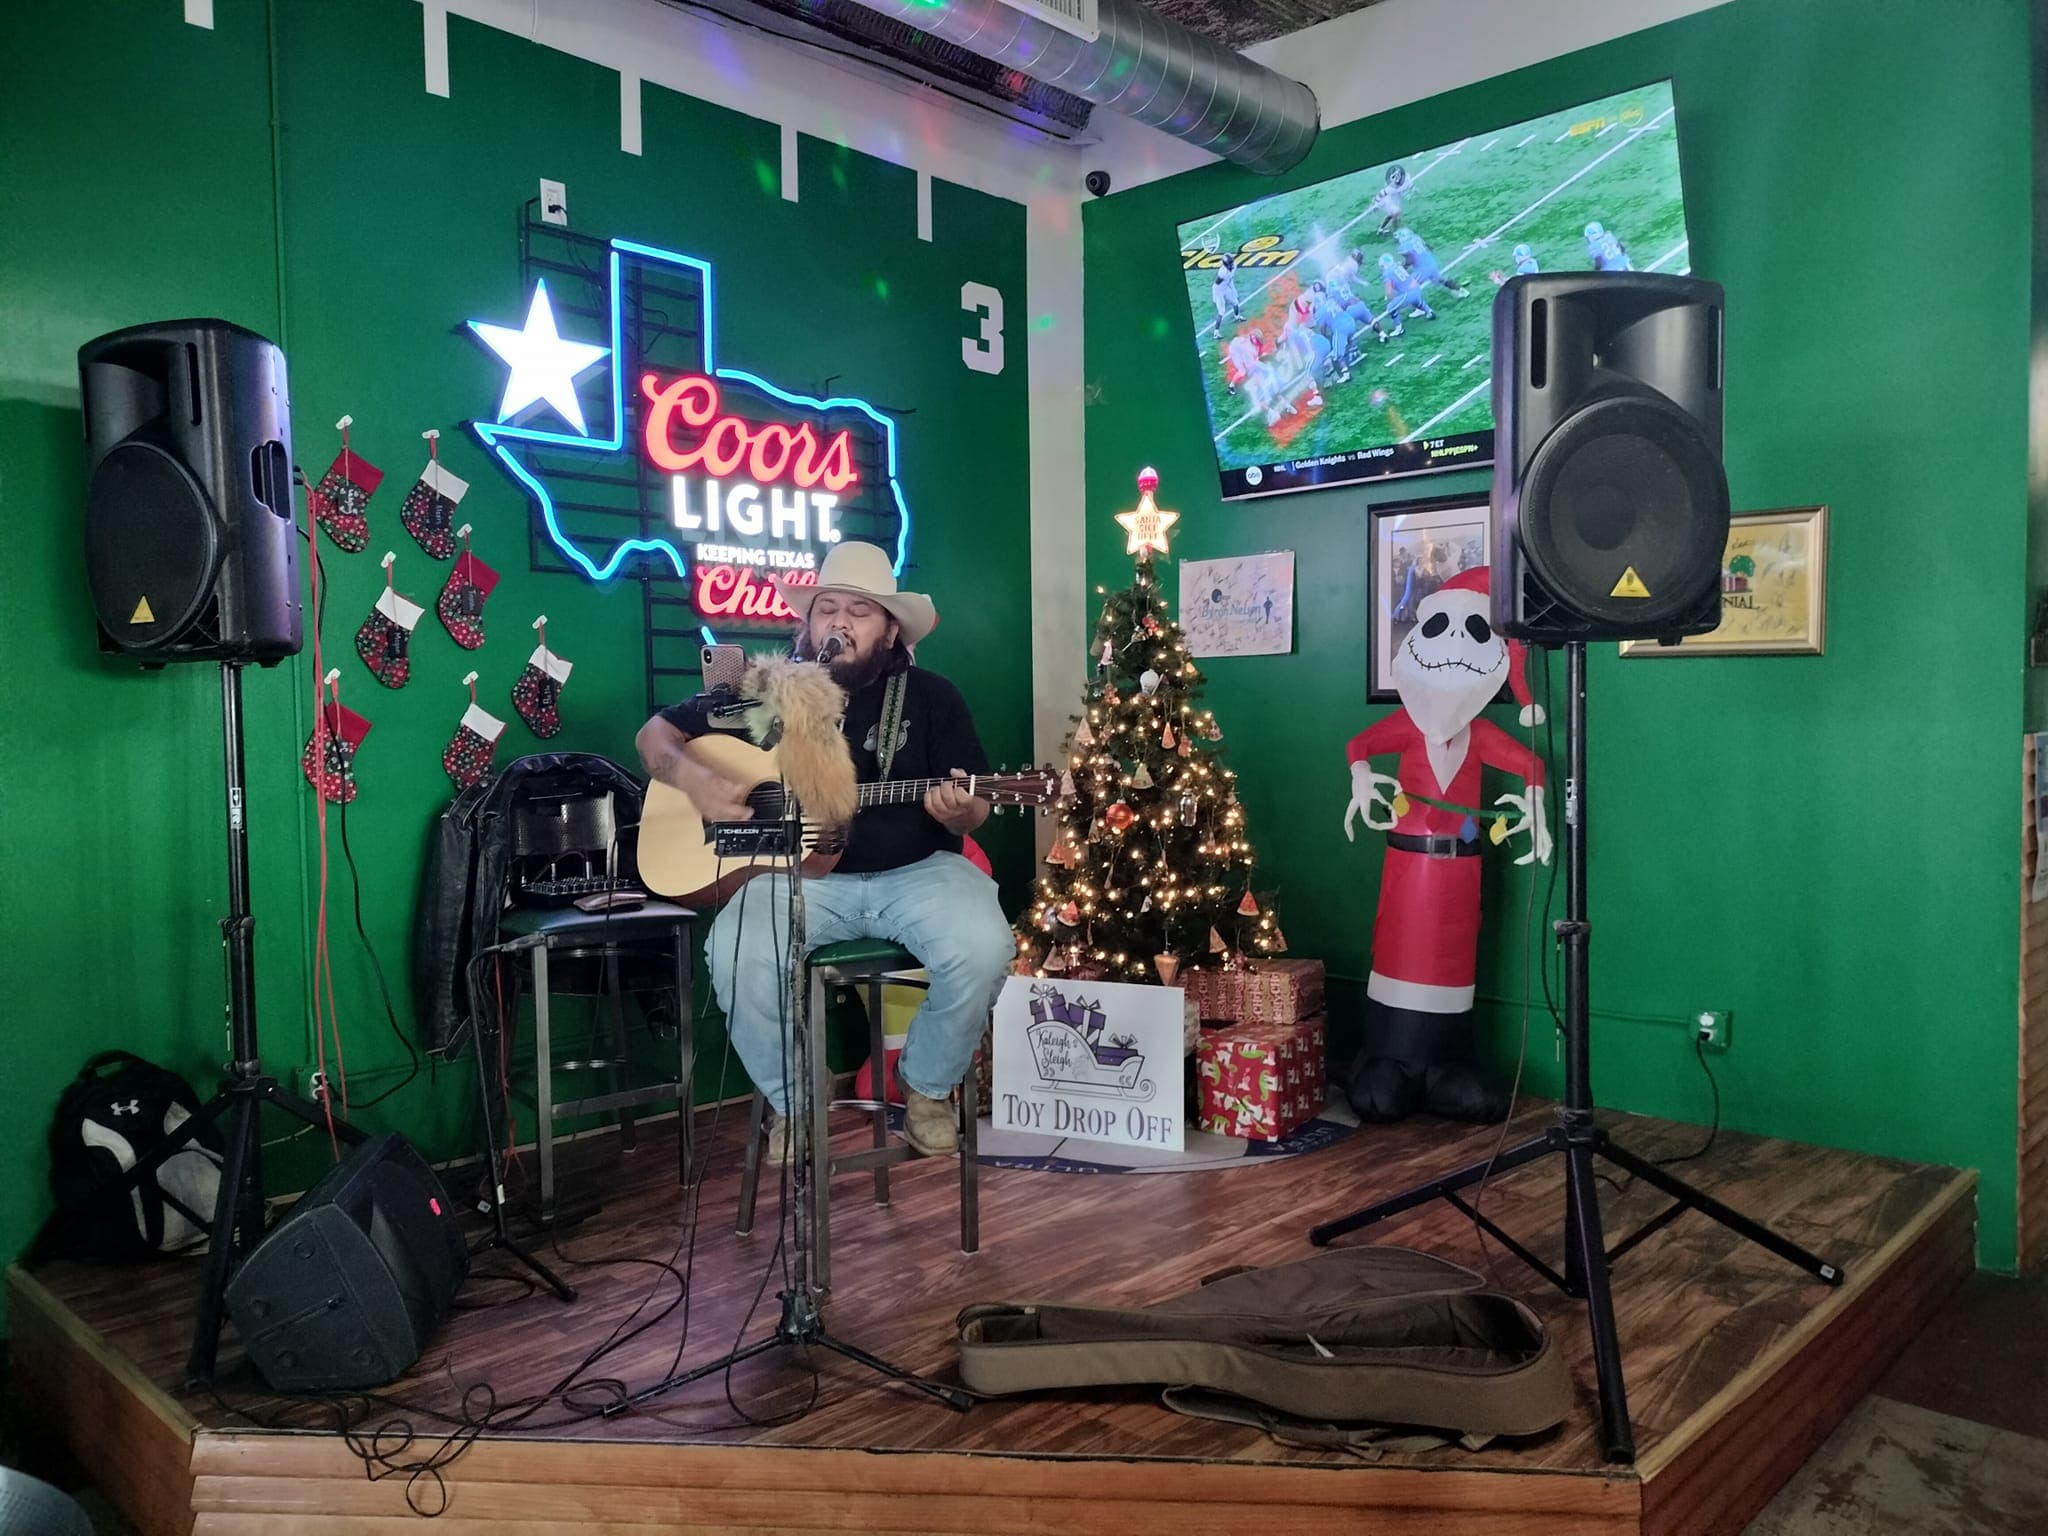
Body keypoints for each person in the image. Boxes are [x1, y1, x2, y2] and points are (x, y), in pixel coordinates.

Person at [635, 542, 1015, 1165]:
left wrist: (963, 808)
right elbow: (656, 736)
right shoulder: (768, 692)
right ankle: (795, 1103)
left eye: (859, 611)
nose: (839, 622)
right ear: (807, 625)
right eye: (826, 609)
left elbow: (976, 802)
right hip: (795, 879)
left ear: (891, 629)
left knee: (985, 947)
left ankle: (923, 1087)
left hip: (919, 873)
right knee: (735, 955)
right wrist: (694, 779)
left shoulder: (932, 697)